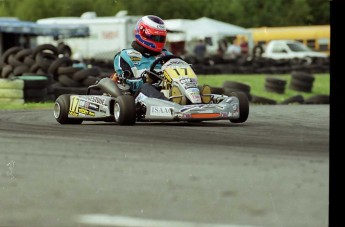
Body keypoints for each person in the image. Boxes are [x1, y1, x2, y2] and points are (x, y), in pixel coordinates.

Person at [111, 15, 172, 100]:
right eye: (155, 37)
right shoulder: (125, 56)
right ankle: (171, 108)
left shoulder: (167, 55)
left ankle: (194, 105)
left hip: (168, 93)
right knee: (146, 87)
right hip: (139, 101)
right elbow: (124, 84)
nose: (158, 40)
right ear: (143, 34)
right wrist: (146, 79)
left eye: (161, 38)